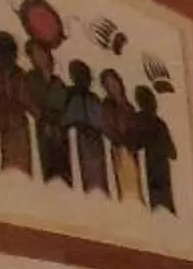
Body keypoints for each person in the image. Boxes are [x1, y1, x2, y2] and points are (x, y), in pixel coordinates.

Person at [0, 31, 33, 177]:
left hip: (17, 118)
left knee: (20, 154)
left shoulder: (18, 73)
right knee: (9, 152)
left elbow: (26, 97)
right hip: (6, 115)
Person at [64, 57, 108, 195]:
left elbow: (101, 121)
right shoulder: (69, 94)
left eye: (83, 75)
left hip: (94, 143)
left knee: (96, 177)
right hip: (78, 140)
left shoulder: (93, 98)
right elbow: (67, 118)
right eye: (77, 75)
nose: (81, 80)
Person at [28, 43, 71, 185]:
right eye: (36, 55)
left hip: (58, 127)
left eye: (42, 53)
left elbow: (64, 105)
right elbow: (31, 100)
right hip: (42, 124)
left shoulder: (58, 83)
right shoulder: (31, 78)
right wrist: (43, 118)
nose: (40, 58)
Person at [99, 70, 141, 206]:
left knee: (135, 180)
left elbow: (135, 125)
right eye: (108, 84)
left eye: (114, 82)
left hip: (131, 149)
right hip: (119, 148)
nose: (113, 86)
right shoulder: (107, 105)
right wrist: (120, 140)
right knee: (124, 181)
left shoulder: (128, 106)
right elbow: (107, 127)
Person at [133, 85, 174, 213]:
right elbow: (172, 152)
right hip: (157, 162)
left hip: (156, 162)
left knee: (159, 193)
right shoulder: (156, 122)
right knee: (161, 194)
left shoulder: (146, 119)